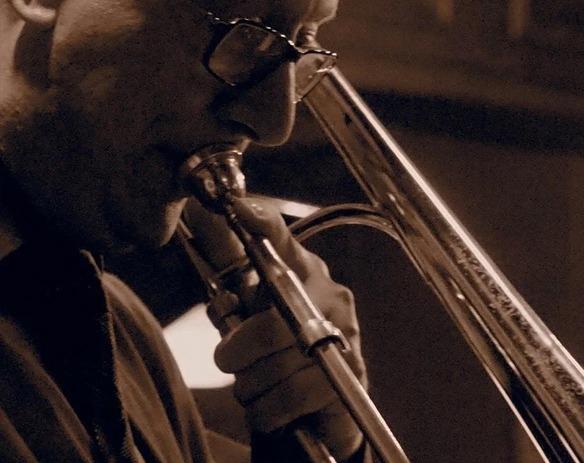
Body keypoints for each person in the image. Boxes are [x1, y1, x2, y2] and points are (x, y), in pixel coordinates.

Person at [0, 0, 369, 461]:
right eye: (246, 34)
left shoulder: (131, 339)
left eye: (304, 44)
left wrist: (317, 445)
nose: (275, 124)